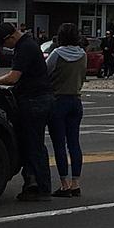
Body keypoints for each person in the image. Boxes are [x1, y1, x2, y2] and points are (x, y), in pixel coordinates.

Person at [0, 22, 55, 202]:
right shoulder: (27, 45)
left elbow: (13, 77)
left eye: (4, 44)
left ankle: (42, 188)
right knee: (31, 143)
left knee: (34, 145)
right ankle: (33, 185)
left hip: (35, 100)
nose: (4, 48)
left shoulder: (25, 47)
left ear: (10, 37)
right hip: (36, 99)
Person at [46, 23, 86, 197]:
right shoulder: (83, 54)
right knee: (74, 143)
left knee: (59, 144)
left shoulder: (57, 53)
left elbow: (46, 71)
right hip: (76, 99)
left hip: (58, 99)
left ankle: (64, 184)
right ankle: (76, 182)